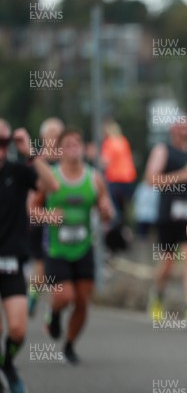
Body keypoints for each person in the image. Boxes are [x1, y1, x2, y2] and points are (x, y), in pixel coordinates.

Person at [31, 129, 113, 365]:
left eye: (77, 142)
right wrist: (47, 216)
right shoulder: (51, 178)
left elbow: (106, 214)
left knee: (82, 301)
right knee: (64, 295)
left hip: (85, 247)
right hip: (57, 249)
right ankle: (54, 314)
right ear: (60, 150)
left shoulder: (94, 178)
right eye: (68, 144)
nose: (74, 147)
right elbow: (32, 210)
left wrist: (106, 212)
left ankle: (69, 344)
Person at [0, 118, 59, 393]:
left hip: (12, 263)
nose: (0, 149)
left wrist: (30, 153)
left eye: (4, 143)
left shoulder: (17, 171)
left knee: (18, 331)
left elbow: (52, 185)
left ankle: (8, 364)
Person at [145, 116, 187, 330]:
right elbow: (151, 179)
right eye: (179, 127)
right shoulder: (163, 150)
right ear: (172, 129)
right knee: (167, 264)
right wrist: (180, 176)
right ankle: (157, 294)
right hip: (167, 216)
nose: (183, 131)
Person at [28, 117, 65, 317]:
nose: (56, 139)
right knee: (42, 266)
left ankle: (53, 309)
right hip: (42, 222)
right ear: (43, 137)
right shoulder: (37, 162)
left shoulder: (67, 162)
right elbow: (31, 200)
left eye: (59, 135)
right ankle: (33, 296)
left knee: (57, 270)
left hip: (63, 224)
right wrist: (43, 216)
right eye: (52, 135)